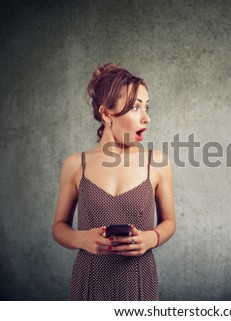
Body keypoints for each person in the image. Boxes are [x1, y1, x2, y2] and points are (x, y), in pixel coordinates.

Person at [52, 63, 175, 300]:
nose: (146, 118)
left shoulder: (157, 162)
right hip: (89, 282)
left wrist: (152, 238)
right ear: (106, 113)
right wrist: (82, 239)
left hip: (139, 281)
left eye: (147, 107)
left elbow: (169, 221)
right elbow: (59, 227)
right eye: (135, 107)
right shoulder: (76, 164)